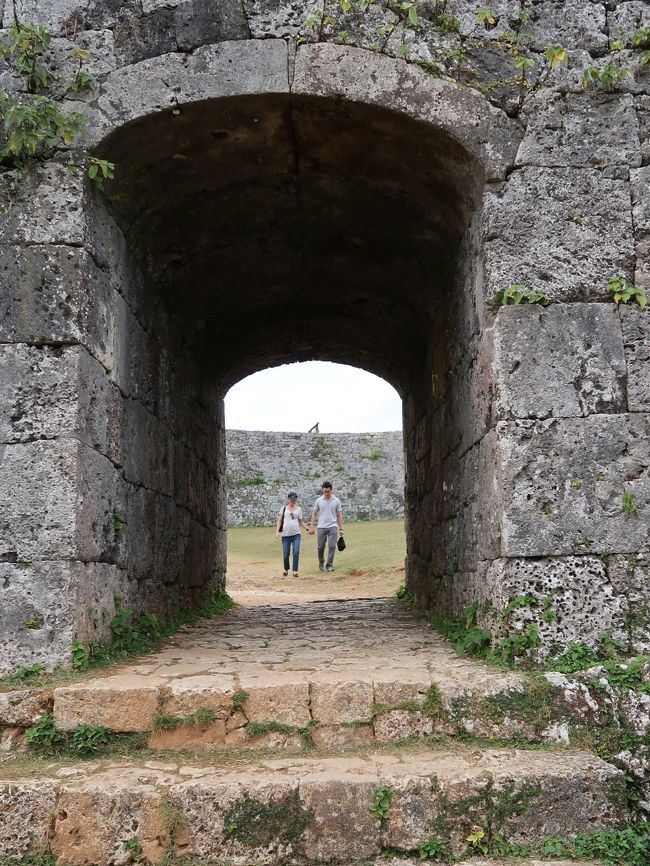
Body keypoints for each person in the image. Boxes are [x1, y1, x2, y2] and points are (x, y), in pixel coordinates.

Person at [275, 491, 312, 576]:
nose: (292, 501)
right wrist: (277, 531)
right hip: (285, 535)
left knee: (296, 552)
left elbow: (301, 522)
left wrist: (307, 529)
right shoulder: (284, 508)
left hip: (296, 534)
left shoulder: (299, 509)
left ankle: (295, 571)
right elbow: (279, 520)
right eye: (291, 499)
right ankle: (286, 569)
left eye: (294, 499)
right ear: (288, 499)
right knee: (286, 553)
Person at [310, 481, 344, 572]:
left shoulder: (336, 501)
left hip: (333, 526)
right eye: (324, 492)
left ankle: (329, 565)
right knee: (320, 547)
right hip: (321, 527)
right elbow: (314, 514)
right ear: (322, 490)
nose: (326, 493)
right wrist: (312, 526)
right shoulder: (318, 501)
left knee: (332, 546)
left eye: (328, 491)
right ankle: (321, 561)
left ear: (331, 490)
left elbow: (339, 515)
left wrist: (341, 528)